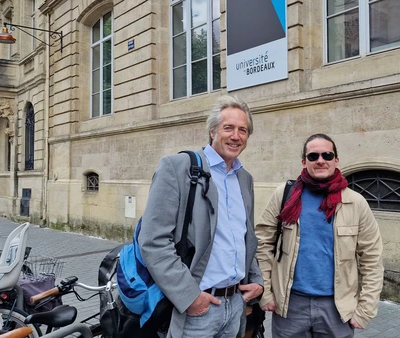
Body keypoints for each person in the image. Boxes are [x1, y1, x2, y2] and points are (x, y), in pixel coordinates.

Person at [138, 96, 264, 338]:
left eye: (243, 130)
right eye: (228, 128)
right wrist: (190, 297)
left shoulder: (244, 178)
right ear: (212, 131)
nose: (236, 136)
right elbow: (153, 241)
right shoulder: (178, 168)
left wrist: (256, 281)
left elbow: (244, 238)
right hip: (197, 308)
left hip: (235, 304)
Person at [255, 133, 384, 338]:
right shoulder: (284, 195)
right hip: (290, 306)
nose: (321, 160)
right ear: (304, 162)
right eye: (313, 156)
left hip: (337, 309)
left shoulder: (356, 203)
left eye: (327, 155)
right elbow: (262, 244)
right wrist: (266, 294)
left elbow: (372, 259)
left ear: (336, 160)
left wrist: (365, 309)